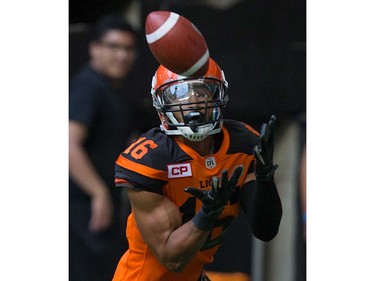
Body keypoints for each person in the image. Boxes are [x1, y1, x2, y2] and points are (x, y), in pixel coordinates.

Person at [112, 58, 283, 281]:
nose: (192, 101)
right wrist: (208, 213)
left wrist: (265, 179)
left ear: (218, 96)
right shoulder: (152, 158)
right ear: (161, 102)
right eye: (179, 93)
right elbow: (172, 258)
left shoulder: (241, 144)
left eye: (202, 92)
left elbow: (266, 230)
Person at [69, 14, 139, 281]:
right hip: (79, 206)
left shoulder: (112, 90)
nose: (122, 55)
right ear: (95, 48)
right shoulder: (88, 87)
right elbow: (67, 144)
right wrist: (98, 193)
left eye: (128, 49)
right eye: (114, 47)